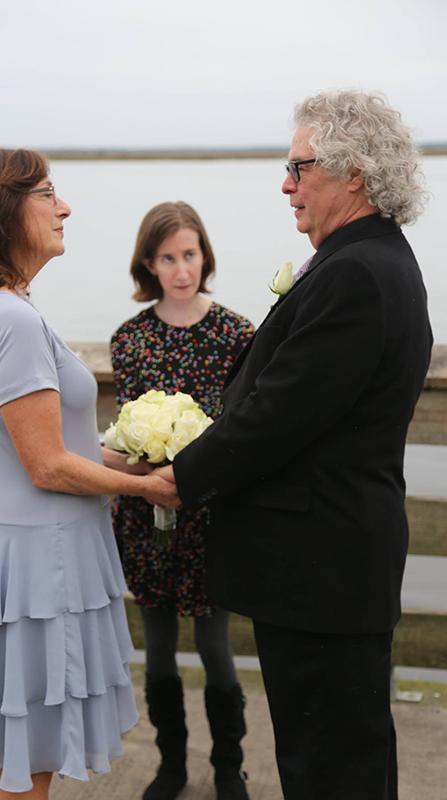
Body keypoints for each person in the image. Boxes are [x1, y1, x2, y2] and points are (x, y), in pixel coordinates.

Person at [158, 91, 433, 800]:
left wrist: (178, 478)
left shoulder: (357, 273)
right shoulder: (372, 260)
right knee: (341, 764)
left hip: (323, 575)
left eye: (298, 167)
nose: (286, 185)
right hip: (331, 571)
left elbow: (276, 415)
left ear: (354, 173)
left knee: (329, 772)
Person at [0, 148, 179, 800]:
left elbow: (55, 447)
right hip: (39, 568)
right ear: (2, 212)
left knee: (11, 755)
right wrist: (146, 487)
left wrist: (133, 458)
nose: (64, 206)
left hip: (10, 551)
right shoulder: (10, 319)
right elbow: (46, 466)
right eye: (46, 194)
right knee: (32, 760)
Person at [109, 201, 255, 800]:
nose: (181, 269)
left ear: (204, 256)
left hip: (212, 517)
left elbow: (246, 426)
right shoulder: (130, 339)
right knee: (160, 649)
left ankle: (228, 769)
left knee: (217, 648)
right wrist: (151, 469)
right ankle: (170, 766)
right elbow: (123, 436)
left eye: (189, 255)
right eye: (167, 258)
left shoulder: (236, 334)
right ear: (149, 263)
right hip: (146, 515)